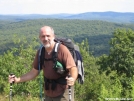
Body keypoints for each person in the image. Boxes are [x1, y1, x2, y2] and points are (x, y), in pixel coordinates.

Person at [8, 26, 78, 101]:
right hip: (48, 92)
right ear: (39, 38)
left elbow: (73, 68)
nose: (45, 38)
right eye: (43, 36)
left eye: (48, 36)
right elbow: (34, 72)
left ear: (53, 36)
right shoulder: (41, 52)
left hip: (63, 92)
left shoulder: (62, 49)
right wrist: (17, 80)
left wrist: (73, 78)